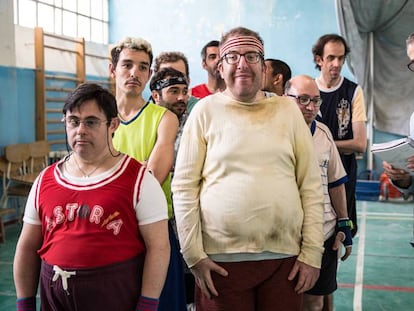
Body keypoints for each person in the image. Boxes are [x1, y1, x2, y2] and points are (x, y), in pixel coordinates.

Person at [172, 26, 325, 311]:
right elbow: (183, 188)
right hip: (220, 265)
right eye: (232, 56)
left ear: (263, 66)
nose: (242, 64)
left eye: (251, 56)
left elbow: (311, 186)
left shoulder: (288, 111)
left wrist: (312, 254)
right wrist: (193, 255)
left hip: (285, 261)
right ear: (220, 66)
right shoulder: (204, 112)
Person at [13, 82, 170, 311]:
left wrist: (147, 304)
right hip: (55, 298)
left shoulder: (139, 180)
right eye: (73, 122)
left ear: (113, 124)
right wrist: (25, 303)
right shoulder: (45, 180)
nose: (80, 130)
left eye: (91, 122)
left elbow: (159, 247)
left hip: (116, 295)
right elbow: (27, 247)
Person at [110, 38, 187, 311]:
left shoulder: (164, 119)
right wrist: (136, 169)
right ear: (113, 69)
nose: (135, 73)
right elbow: (86, 174)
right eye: (127, 65)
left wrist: (111, 173)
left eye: (143, 67)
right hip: (111, 228)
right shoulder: (99, 119)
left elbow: (152, 179)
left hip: (155, 231)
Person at [285, 75, 353, 311]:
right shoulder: (274, 134)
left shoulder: (323, 134)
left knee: (315, 302)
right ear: (286, 99)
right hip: (287, 237)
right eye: (303, 100)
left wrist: (344, 223)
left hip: (323, 232)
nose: (311, 107)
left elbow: (336, 182)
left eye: (316, 101)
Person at [312, 34, 367, 237]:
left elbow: (360, 143)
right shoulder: (307, 91)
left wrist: (321, 145)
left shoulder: (353, 91)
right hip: (312, 175)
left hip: (343, 176)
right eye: (331, 58)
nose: (337, 63)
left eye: (341, 58)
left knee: (341, 234)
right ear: (319, 59)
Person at [149, 67, 189, 169]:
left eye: (184, 92)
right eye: (174, 91)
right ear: (156, 96)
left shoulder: (194, 124)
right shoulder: (143, 124)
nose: (181, 98)